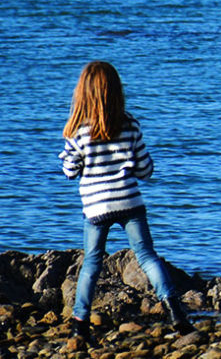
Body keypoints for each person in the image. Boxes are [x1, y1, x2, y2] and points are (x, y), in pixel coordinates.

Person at [58, 61, 192, 340]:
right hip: (130, 202)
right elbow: (145, 170)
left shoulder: (78, 131)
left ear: (82, 93)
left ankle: (80, 322)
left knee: (92, 263)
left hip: (96, 208)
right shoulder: (130, 124)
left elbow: (70, 172)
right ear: (116, 92)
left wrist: (78, 162)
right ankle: (175, 312)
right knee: (146, 256)